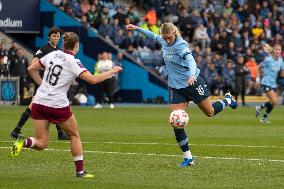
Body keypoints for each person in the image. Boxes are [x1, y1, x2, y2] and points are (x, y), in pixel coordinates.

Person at [10, 32, 122, 178]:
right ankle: (80, 172)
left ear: (63, 44)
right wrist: (112, 71)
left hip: (39, 101)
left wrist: (43, 85)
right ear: (77, 46)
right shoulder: (73, 61)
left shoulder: (52, 55)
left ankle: (23, 141)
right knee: (74, 135)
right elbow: (93, 80)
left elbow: (31, 68)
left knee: (42, 143)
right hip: (57, 104)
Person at [125, 23, 237, 168]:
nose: (167, 41)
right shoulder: (164, 41)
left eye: (169, 38)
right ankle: (188, 157)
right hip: (177, 87)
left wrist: (191, 75)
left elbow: (191, 61)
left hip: (193, 84)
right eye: (165, 38)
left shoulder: (181, 46)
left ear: (175, 34)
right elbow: (153, 36)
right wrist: (137, 28)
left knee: (210, 112)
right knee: (176, 122)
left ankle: (228, 99)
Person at [10, 27, 70, 140]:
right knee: (37, 105)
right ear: (49, 37)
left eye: (58, 36)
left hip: (52, 83)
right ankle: (16, 130)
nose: (56, 38)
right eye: (54, 36)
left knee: (53, 104)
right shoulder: (44, 49)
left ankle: (60, 133)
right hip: (43, 82)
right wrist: (41, 82)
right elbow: (33, 65)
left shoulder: (58, 51)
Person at [256, 43, 284, 123]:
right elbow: (258, 67)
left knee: (273, 103)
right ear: (273, 51)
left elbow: (282, 74)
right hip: (265, 82)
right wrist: (258, 79)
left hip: (273, 83)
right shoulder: (268, 59)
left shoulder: (281, 61)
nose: (278, 51)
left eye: (279, 49)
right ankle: (260, 108)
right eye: (276, 49)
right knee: (274, 101)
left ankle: (264, 117)